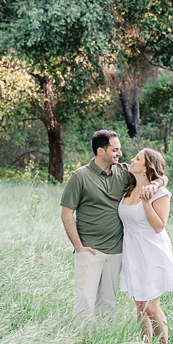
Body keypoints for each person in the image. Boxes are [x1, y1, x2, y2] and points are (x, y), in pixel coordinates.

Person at [60, 130, 156, 317]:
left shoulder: (123, 171)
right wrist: (79, 246)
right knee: (85, 301)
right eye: (115, 150)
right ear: (100, 151)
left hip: (116, 251)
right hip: (90, 250)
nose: (119, 154)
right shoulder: (79, 176)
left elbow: (155, 173)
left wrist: (157, 184)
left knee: (108, 303)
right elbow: (66, 214)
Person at [118, 148, 173, 344]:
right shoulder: (129, 188)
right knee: (140, 306)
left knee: (151, 307)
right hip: (132, 253)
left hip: (152, 253)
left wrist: (146, 201)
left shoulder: (159, 193)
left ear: (147, 168)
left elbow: (158, 226)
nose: (132, 160)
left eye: (137, 159)